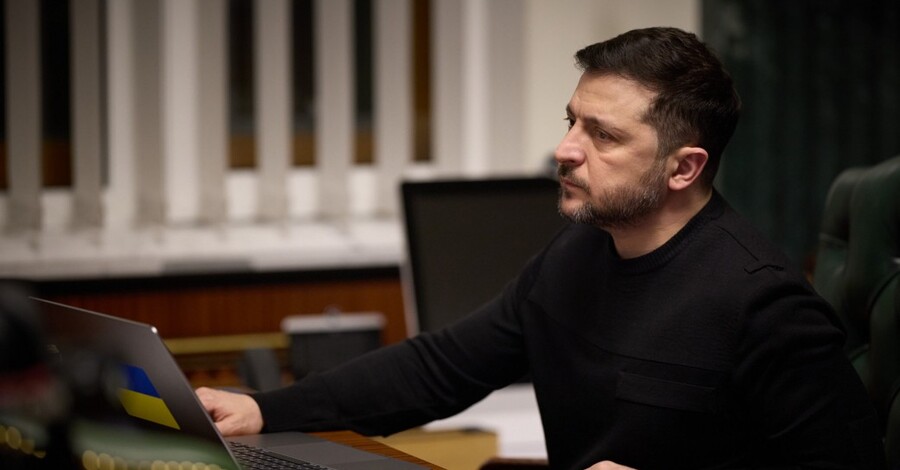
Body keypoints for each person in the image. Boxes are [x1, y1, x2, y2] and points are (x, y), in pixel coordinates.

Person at [197, 27, 885, 469]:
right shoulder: (576, 254)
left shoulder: (765, 305)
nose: (565, 149)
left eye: (603, 135)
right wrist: (267, 410)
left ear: (684, 168)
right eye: (571, 122)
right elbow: (440, 368)